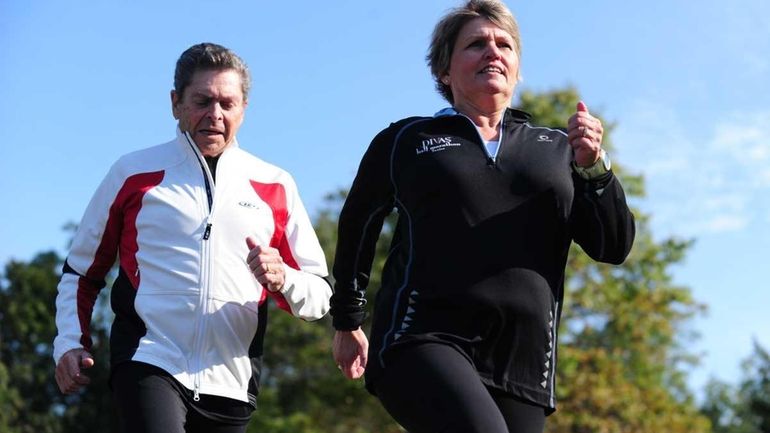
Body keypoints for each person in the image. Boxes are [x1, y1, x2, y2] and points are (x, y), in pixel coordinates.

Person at [330, 1, 635, 432]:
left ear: (517, 69)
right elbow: (358, 224)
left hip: (523, 366)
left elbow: (613, 246)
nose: (493, 52)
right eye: (476, 44)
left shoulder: (558, 149)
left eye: (504, 45)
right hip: (422, 340)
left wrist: (594, 167)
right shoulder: (407, 140)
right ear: (444, 70)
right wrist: (347, 320)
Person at [52, 42, 332, 433]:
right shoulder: (133, 173)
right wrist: (68, 342)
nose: (214, 115)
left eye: (227, 103)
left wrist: (283, 277)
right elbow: (81, 271)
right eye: (202, 100)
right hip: (149, 359)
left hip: (232, 379)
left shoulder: (275, 185)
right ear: (176, 103)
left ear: (243, 109)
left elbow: (319, 296)